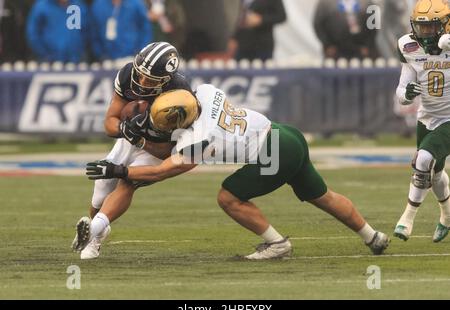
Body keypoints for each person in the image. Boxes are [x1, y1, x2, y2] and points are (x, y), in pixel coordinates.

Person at [78, 84, 390, 260]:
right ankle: (372, 236)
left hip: (273, 153)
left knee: (229, 197)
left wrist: (119, 169)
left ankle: (277, 244)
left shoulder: (196, 140)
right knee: (323, 196)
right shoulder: (205, 92)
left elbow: (160, 171)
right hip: (285, 134)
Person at [71, 42, 192, 259]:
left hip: (159, 147)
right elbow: (109, 121)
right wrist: (124, 129)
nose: (142, 81)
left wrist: (142, 142)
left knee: (128, 180)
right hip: (132, 138)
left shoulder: (179, 95)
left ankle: (94, 236)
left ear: (165, 81)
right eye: (140, 73)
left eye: (150, 79)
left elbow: (169, 151)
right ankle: (98, 228)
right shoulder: (128, 73)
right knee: (102, 182)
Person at [393, 0, 450, 243]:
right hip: (427, 117)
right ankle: (447, 216)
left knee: (423, 159)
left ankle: (407, 218)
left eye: (431, 27)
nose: (425, 32)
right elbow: (402, 89)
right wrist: (406, 95)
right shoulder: (409, 46)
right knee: (434, 173)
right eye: (421, 27)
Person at [313, 0, 380, 60]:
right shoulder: (325, 3)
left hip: (361, 52)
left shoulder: (367, 3)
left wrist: (367, 45)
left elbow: (374, 26)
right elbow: (318, 24)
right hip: (335, 52)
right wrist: (328, 44)